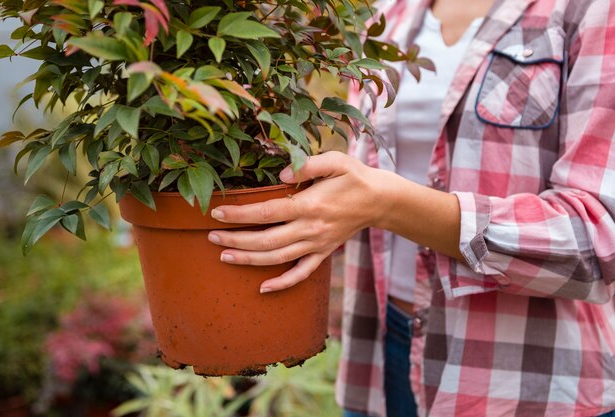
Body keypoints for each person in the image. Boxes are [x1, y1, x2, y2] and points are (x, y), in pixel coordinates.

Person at [205, 0, 615, 416]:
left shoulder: (591, 10)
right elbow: (359, 184)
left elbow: (599, 237)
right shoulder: (391, 14)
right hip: (382, 361)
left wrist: (386, 203)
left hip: (522, 381)